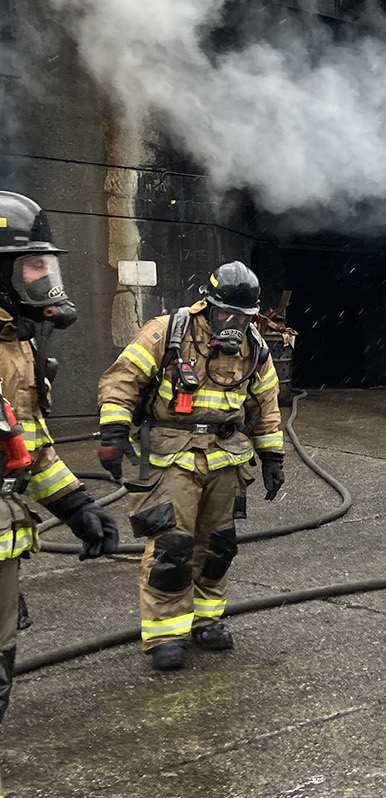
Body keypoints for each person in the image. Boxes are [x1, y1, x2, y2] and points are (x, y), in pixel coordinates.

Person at [98, 260, 284, 672]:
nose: (233, 323)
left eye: (243, 316)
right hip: (170, 453)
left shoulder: (256, 348)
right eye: (226, 314)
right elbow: (122, 379)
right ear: (208, 306)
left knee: (218, 546)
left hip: (225, 455)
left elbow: (265, 405)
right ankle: (165, 634)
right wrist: (113, 431)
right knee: (171, 546)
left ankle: (206, 621)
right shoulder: (167, 332)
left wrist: (272, 456)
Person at [0, 191, 119, 798]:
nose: (47, 278)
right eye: (32, 265)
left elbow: (27, 446)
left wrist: (75, 506)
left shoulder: (16, 343)